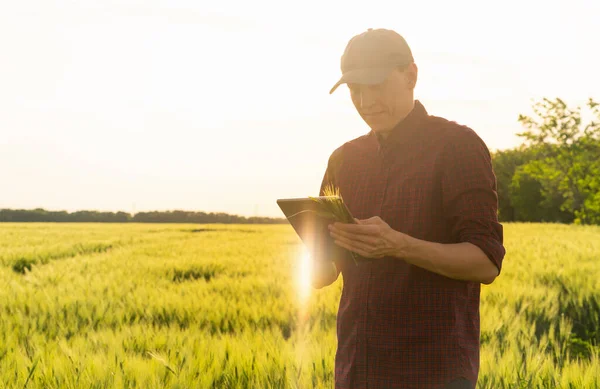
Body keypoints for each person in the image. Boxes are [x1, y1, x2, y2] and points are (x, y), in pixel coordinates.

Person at [311, 28, 506, 389]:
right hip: (356, 369)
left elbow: (486, 263)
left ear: (411, 76)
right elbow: (325, 273)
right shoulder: (343, 160)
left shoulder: (457, 146)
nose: (366, 101)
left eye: (377, 85)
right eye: (355, 90)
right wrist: (314, 249)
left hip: (433, 372)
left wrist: (398, 245)